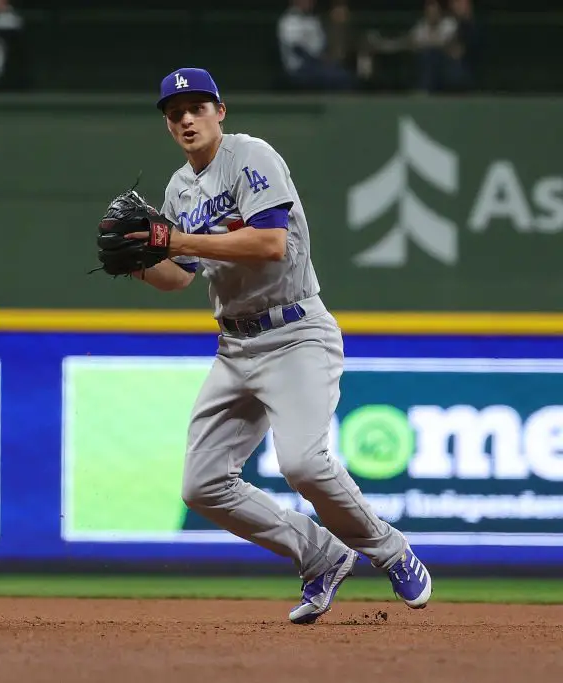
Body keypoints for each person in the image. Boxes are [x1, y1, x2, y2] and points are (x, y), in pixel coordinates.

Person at [113, 67, 432, 624]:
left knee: (304, 463)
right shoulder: (179, 189)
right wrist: (138, 263)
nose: (186, 118)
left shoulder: (250, 156)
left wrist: (175, 239)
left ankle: (389, 550)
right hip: (235, 347)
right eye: (174, 112)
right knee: (202, 484)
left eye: (196, 107)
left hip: (295, 335)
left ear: (220, 111)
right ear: (167, 125)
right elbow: (181, 275)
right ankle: (320, 555)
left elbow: (270, 243)